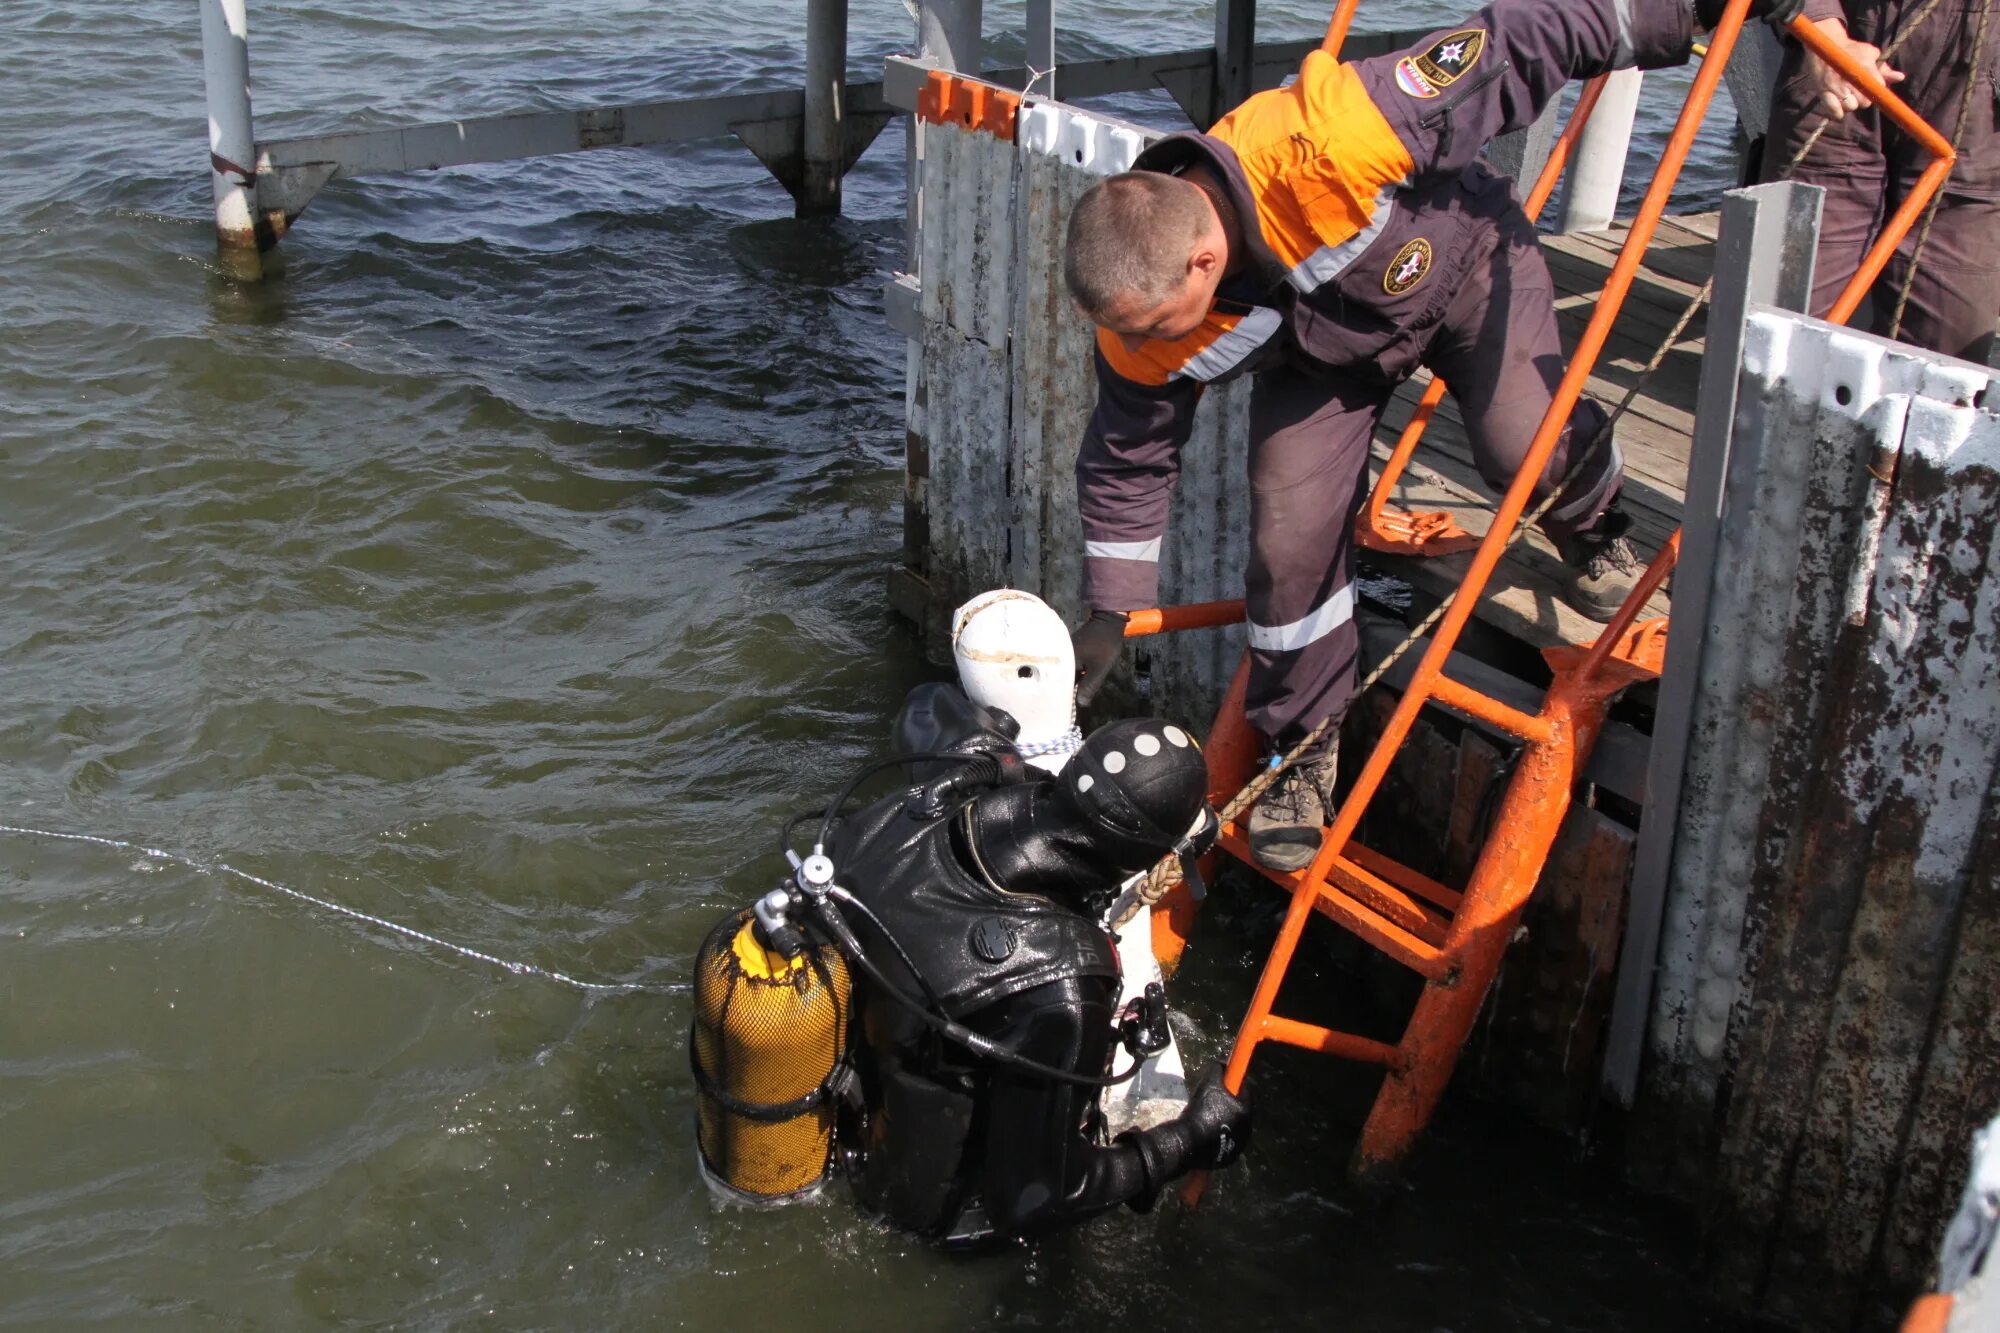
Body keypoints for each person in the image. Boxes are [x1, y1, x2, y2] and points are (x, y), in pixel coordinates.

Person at [1063, 0, 1801, 872]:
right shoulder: (1135, 326)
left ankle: (1594, 532)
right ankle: (1301, 752)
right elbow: (1126, 454)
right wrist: (1112, 606)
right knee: (1287, 540)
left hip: (1465, 270)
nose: (1151, 346)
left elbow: (1522, 39)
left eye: (1158, 325)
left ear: (1202, 261)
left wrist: (1689, 11)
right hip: (1323, 357)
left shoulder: (1336, 134)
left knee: (1519, 447)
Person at [828, 691, 1250, 1242]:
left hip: (835, 1107)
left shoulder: (933, 797)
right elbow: (1036, 1203)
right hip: (923, 1215)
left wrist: (992, 757)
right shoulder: (1064, 992)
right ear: (1143, 857)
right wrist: (1188, 1139)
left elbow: (923, 705)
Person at [1761, 0, 1998, 364]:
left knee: (1945, 370)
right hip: (1843, 50)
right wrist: (1821, 30)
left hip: (1980, 97)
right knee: (1786, 337)